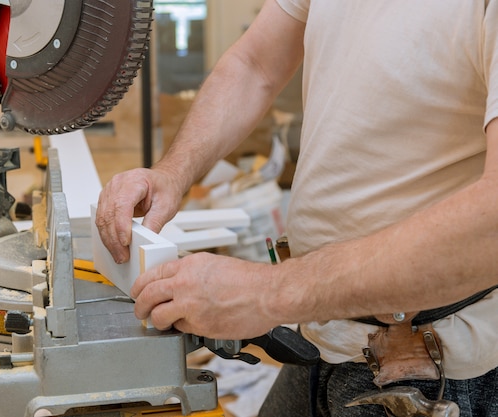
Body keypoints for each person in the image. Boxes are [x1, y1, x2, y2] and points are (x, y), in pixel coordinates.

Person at [95, 0, 498, 415]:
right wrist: (173, 172)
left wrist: (266, 294)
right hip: (322, 336)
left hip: (425, 366)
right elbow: (256, 65)